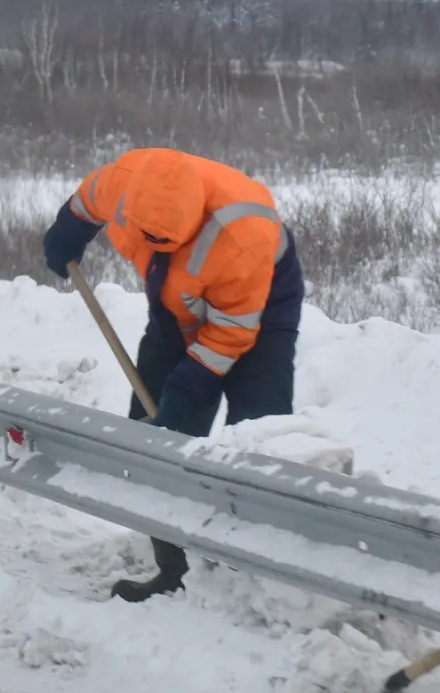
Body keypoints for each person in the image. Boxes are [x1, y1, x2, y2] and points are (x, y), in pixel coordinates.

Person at [43, 147, 304, 602]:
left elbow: (230, 337)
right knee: (153, 436)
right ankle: (175, 572)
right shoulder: (125, 183)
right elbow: (86, 202)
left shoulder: (241, 237)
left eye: (164, 240)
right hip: (174, 298)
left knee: (258, 428)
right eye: (145, 235)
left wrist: (186, 388)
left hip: (257, 308)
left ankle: (257, 581)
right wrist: (67, 234)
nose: (149, 242)